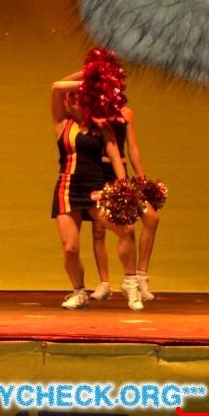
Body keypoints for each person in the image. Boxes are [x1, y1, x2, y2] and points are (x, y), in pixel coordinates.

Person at [51, 77, 142, 310]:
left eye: (78, 94)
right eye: (70, 95)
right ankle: (79, 292)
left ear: (87, 98)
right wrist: (91, 75)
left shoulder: (101, 126)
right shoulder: (62, 123)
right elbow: (57, 87)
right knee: (70, 247)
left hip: (95, 188)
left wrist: (123, 186)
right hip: (68, 188)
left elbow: (115, 157)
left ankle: (131, 283)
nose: (73, 97)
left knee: (126, 231)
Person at [89, 105, 159, 302]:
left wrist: (141, 177)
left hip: (120, 171)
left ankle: (141, 276)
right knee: (98, 230)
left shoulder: (125, 112)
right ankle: (104, 283)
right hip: (98, 171)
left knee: (151, 218)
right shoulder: (90, 110)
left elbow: (132, 148)